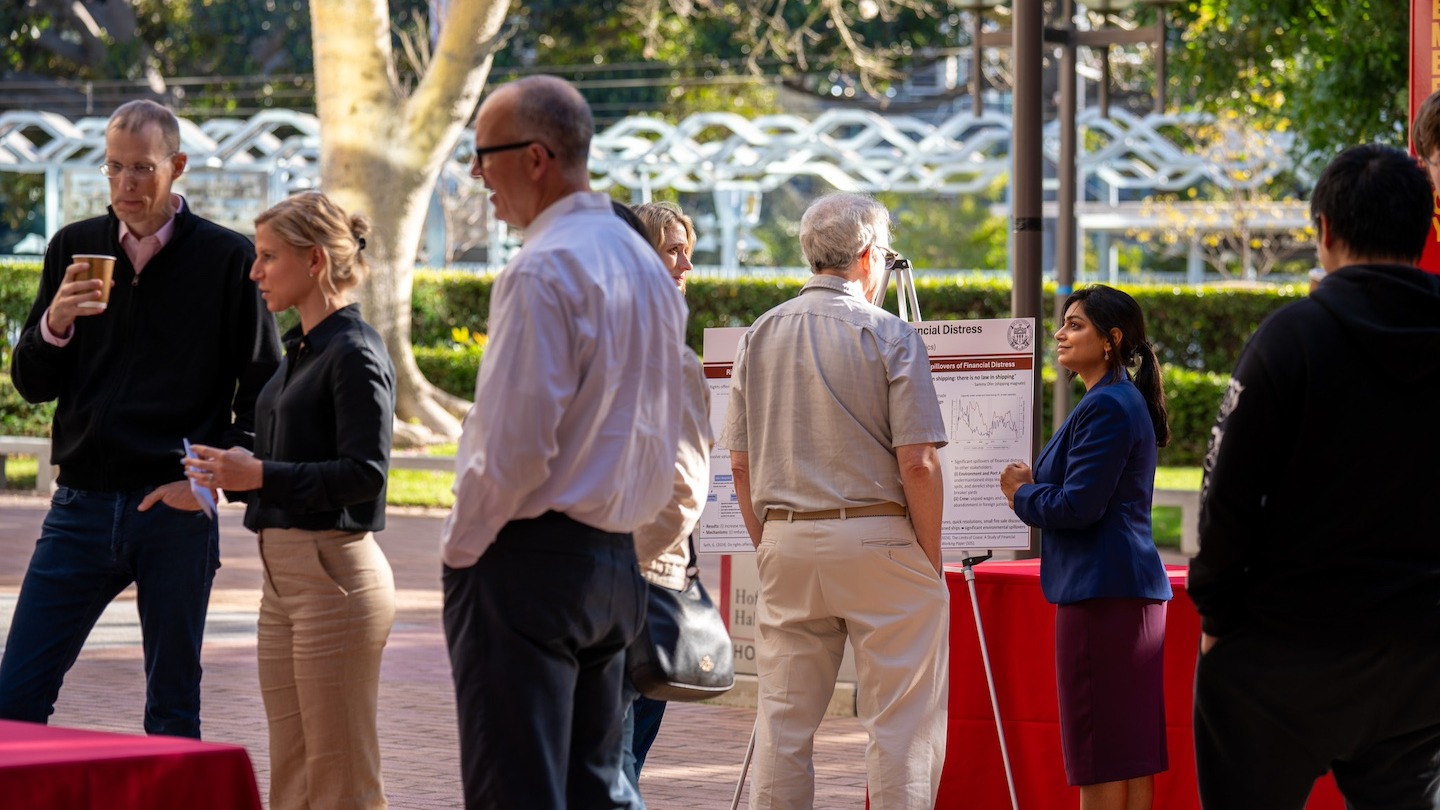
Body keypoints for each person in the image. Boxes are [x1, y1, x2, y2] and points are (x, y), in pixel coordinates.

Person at [440, 76, 687, 810]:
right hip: (614, 563)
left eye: (483, 156)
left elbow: (514, 449)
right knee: (594, 793)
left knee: (517, 790)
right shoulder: (643, 262)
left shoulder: (544, 267)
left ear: (537, 157)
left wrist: (462, 547)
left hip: (529, 562)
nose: (478, 176)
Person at [0, 99, 281, 738]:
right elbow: (32, 382)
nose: (126, 184)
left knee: (174, 711)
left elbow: (266, 386)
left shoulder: (227, 259)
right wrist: (56, 324)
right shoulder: (75, 246)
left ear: (176, 167)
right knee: (14, 698)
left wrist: (204, 485)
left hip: (173, 514)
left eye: (142, 169)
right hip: (80, 507)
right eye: (114, 168)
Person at [1189, 144, 1440, 809]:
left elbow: (1226, 501)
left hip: (1287, 650)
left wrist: (1216, 616)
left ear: (1323, 232)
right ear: (1425, 231)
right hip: (1425, 652)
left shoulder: (1289, 339)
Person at [718, 192, 949, 809]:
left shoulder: (759, 333)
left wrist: (767, 540)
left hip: (787, 537)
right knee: (901, 725)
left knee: (783, 724)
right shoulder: (891, 334)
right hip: (879, 536)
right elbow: (918, 462)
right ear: (869, 256)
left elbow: (738, 463)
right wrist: (929, 558)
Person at [183, 192, 396, 809]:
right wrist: (224, 471)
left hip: (335, 578)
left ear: (314, 262)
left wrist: (261, 476)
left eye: (268, 257)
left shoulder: (353, 352)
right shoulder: (301, 348)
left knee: (340, 777)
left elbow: (366, 474)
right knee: (295, 772)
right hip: (284, 583)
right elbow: (278, 457)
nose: (255, 272)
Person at [999, 284, 1173, 810]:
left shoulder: (1108, 406)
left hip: (1102, 595)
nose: (1060, 333)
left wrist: (1021, 493)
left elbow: (1079, 506)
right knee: (1129, 751)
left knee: (1101, 750)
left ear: (1111, 340)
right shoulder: (1114, 400)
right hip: (1121, 592)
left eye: (1076, 324)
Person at [620, 200, 711, 793]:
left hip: (642, 577)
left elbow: (683, 489)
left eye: (688, 252)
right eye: (673, 250)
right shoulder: (622, 347)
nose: (685, 266)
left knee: (618, 759)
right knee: (613, 760)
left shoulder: (673, 359)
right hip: (625, 580)